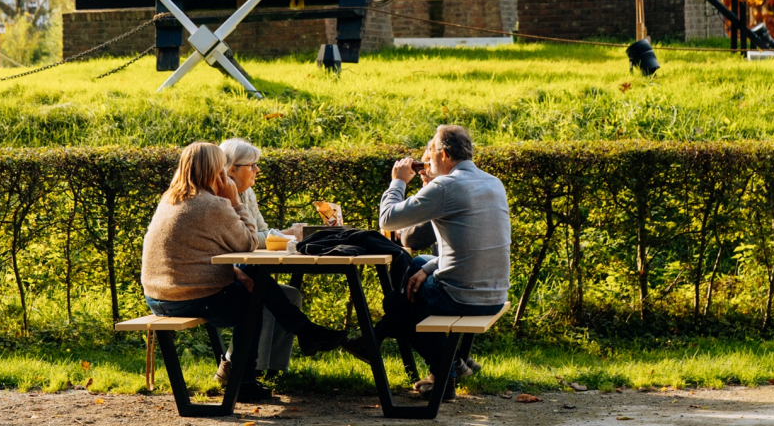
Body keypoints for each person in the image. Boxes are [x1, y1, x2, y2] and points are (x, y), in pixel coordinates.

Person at [142, 141, 346, 402]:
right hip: (190, 298)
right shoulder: (211, 205)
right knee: (254, 297)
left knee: (252, 280)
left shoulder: (171, 198)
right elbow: (247, 242)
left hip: (160, 297)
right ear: (216, 171)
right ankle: (246, 380)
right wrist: (235, 201)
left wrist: (237, 273)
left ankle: (305, 334)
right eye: (222, 170)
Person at [344, 125, 510, 400]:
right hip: (494, 293)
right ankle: (447, 364)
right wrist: (426, 269)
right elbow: (469, 249)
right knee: (418, 264)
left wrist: (398, 181)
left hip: (461, 297)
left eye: (430, 152)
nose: (428, 160)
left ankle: (447, 372)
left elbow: (387, 220)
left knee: (398, 304)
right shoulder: (493, 182)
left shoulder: (447, 186)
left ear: (443, 154)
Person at [215, 138, 304, 388]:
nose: (257, 170)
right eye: (252, 165)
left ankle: (266, 372)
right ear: (232, 169)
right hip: (223, 274)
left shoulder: (247, 192)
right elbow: (244, 242)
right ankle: (240, 370)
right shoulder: (219, 197)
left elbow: (261, 232)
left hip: (240, 268)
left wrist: (283, 236)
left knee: (290, 294)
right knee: (256, 290)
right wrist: (282, 237)